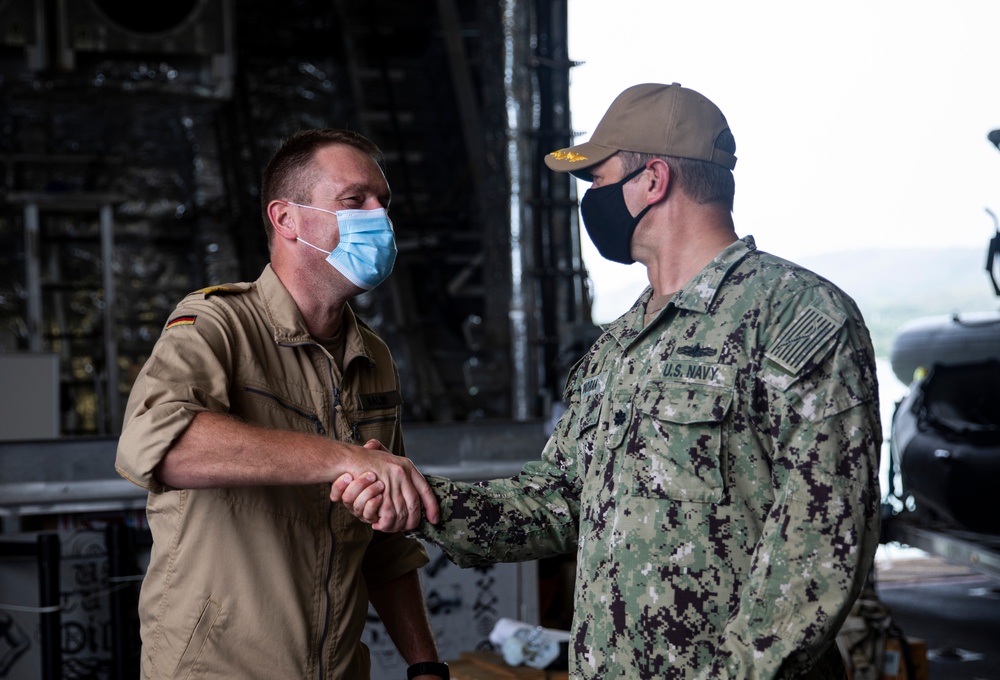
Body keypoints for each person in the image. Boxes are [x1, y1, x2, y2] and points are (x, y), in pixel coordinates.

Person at [333, 83, 883, 679]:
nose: (591, 199)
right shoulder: (619, 346)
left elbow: (821, 544)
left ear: (653, 180)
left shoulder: (797, 316)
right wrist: (422, 502)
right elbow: (556, 500)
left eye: (598, 179)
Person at [115, 128, 450, 680]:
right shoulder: (217, 325)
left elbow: (384, 542)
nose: (379, 217)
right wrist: (346, 458)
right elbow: (160, 446)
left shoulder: (373, 357)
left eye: (382, 203)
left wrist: (424, 664)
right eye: (354, 200)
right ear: (286, 219)